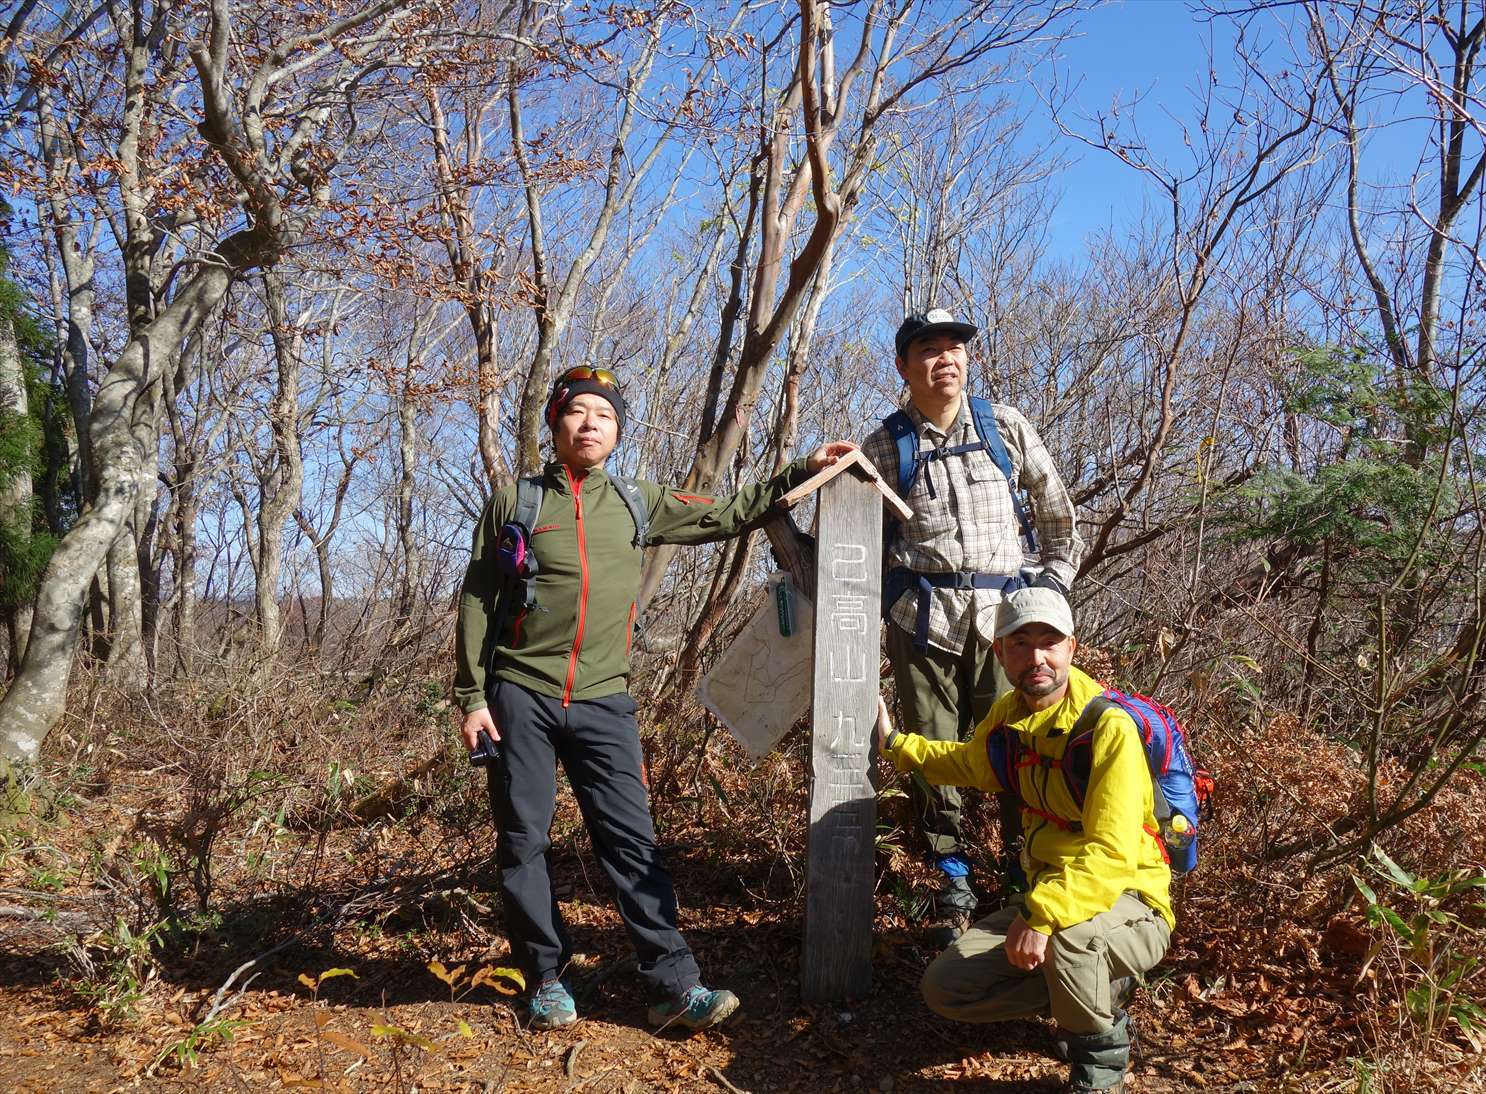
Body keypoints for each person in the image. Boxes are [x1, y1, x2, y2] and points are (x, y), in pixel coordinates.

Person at [455, 365, 854, 1032]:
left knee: (632, 842)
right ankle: (547, 979)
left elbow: (729, 512)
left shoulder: (636, 501)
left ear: (616, 431)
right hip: (520, 692)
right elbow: (478, 599)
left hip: (605, 699)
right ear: (555, 425)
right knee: (524, 842)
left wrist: (798, 469)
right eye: (577, 412)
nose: (590, 424)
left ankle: (673, 985)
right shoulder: (517, 504)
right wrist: (472, 696)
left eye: (604, 415)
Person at [873, 586, 1173, 1092]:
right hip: (1048, 895)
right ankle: (1088, 995)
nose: (1036, 657)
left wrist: (1041, 915)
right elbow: (969, 763)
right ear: (1000, 653)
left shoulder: (1108, 728)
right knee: (946, 989)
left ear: (1071, 648)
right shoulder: (1011, 717)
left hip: (1131, 899)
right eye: (1020, 643)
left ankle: (1099, 1070)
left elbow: (1113, 852)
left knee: (1072, 943)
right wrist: (896, 745)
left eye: (1049, 642)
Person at [860, 307, 1083, 944]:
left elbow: (1057, 514)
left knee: (1020, 745)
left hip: (1006, 624)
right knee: (930, 745)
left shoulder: (1004, 426)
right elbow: (860, 539)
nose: (945, 359)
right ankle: (949, 871)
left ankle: (1027, 871)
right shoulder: (886, 443)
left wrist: (1048, 596)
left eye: (955, 347)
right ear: (904, 366)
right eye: (928, 349)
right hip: (921, 617)